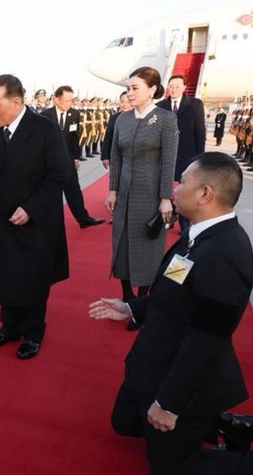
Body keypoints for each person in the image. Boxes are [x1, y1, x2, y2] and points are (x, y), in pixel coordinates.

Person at [89, 152, 253, 475]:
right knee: (125, 422)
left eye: (183, 183)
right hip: (156, 356)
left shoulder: (224, 253)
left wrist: (169, 403)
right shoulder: (199, 235)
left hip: (186, 377)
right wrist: (132, 308)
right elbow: (174, 290)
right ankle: (227, 424)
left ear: (205, 194)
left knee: (173, 471)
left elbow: (206, 341)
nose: (175, 190)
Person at [0, 74, 72, 360]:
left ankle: (33, 333)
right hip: (4, 219)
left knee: (32, 279)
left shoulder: (45, 130)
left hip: (36, 221)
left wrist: (31, 207)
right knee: (6, 277)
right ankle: (9, 327)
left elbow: (60, 175)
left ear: (16, 102)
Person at [106, 67, 178, 309]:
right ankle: (127, 296)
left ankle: (142, 299)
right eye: (128, 88)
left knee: (147, 245)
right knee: (123, 243)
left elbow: (169, 160)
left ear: (153, 90)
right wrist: (113, 190)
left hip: (149, 194)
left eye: (135, 88)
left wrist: (165, 197)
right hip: (124, 193)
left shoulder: (166, 119)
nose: (130, 93)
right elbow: (116, 157)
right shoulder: (122, 119)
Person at [42, 86, 105, 229]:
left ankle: (84, 219)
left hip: (68, 159)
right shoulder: (45, 115)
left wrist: (76, 157)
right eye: (67, 100)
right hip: (49, 162)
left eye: (72, 100)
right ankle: (51, 222)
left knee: (74, 190)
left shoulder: (74, 114)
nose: (70, 103)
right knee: (52, 192)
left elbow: (74, 137)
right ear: (57, 99)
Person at [156, 74, 205, 230]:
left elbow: (200, 131)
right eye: (171, 86)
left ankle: (184, 222)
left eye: (177, 86)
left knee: (186, 188)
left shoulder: (195, 104)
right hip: (166, 153)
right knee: (165, 186)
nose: (174, 89)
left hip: (187, 154)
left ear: (184, 87)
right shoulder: (161, 105)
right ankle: (168, 218)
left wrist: (199, 157)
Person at [100, 91, 131, 169]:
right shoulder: (114, 118)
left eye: (128, 102)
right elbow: (108, 137)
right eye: (122, 101)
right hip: (115, 157)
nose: (125, 105)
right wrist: (105, 156)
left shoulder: (139, 118)